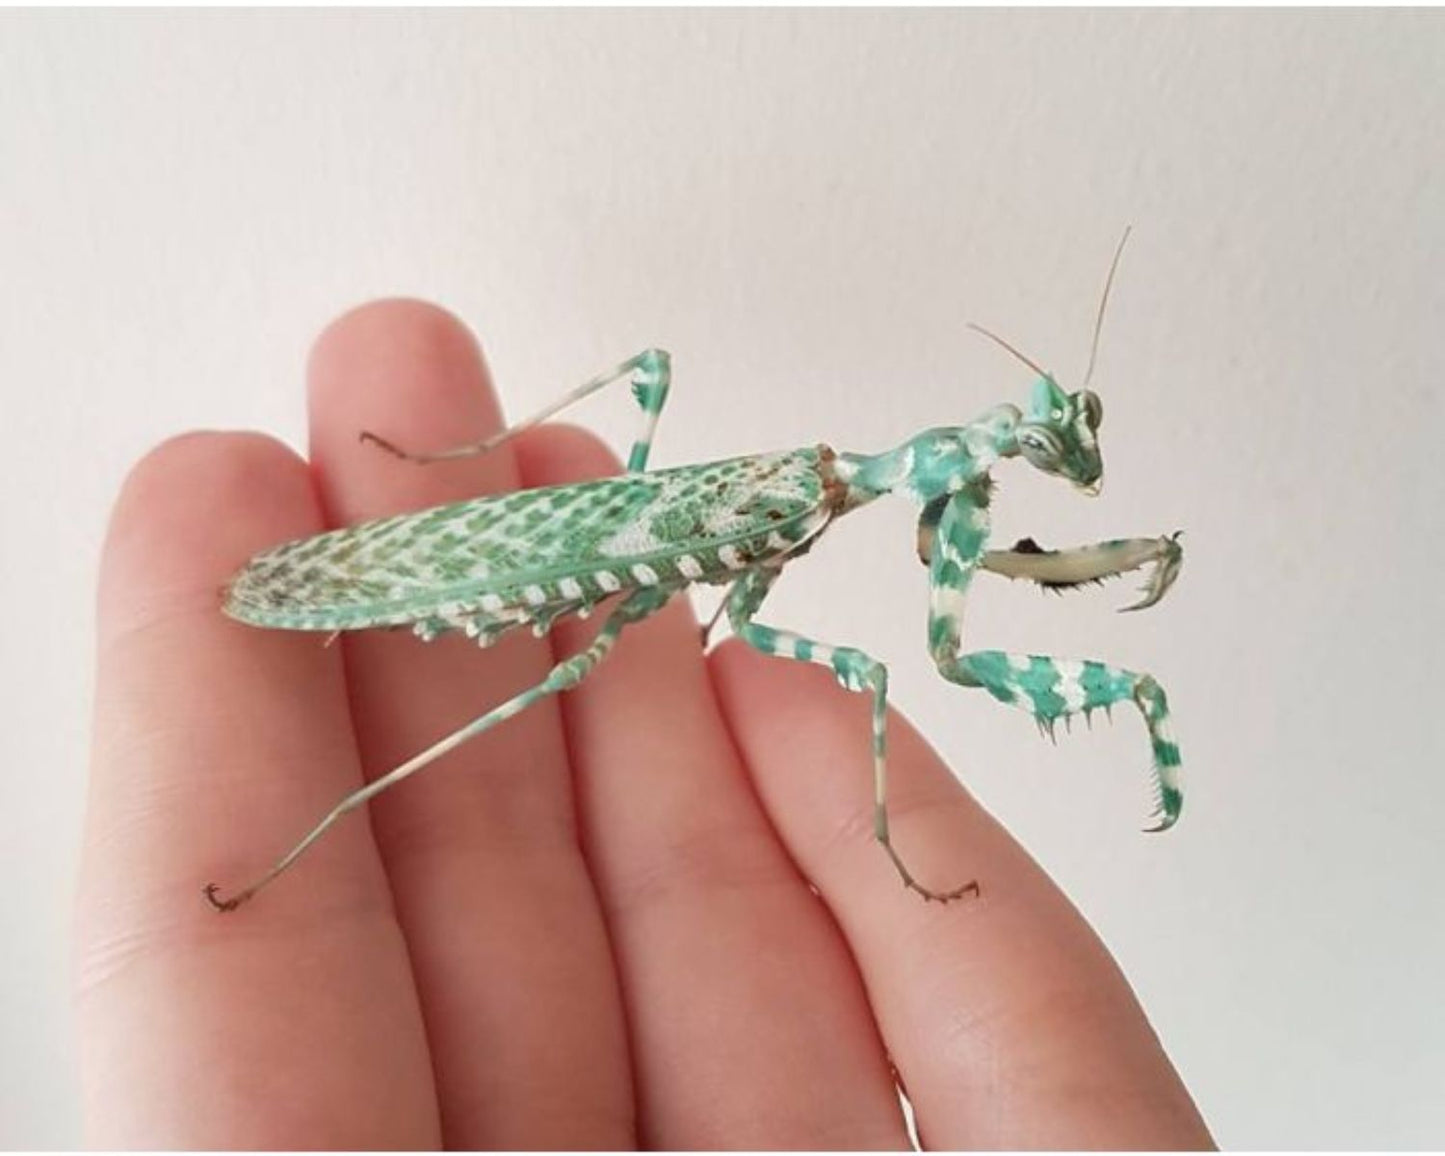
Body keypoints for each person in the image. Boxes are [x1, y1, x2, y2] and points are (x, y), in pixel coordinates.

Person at [77, 300, 1213, 1149]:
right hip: (519, 567)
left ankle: (437, 487)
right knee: (640, 681)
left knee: (656, 432)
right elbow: (948, 653)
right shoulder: (809, 492)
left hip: (605, 555)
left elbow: (926, 574)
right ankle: (326, 813)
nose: (1045, 457)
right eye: (1035, 445)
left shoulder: (835, 488)